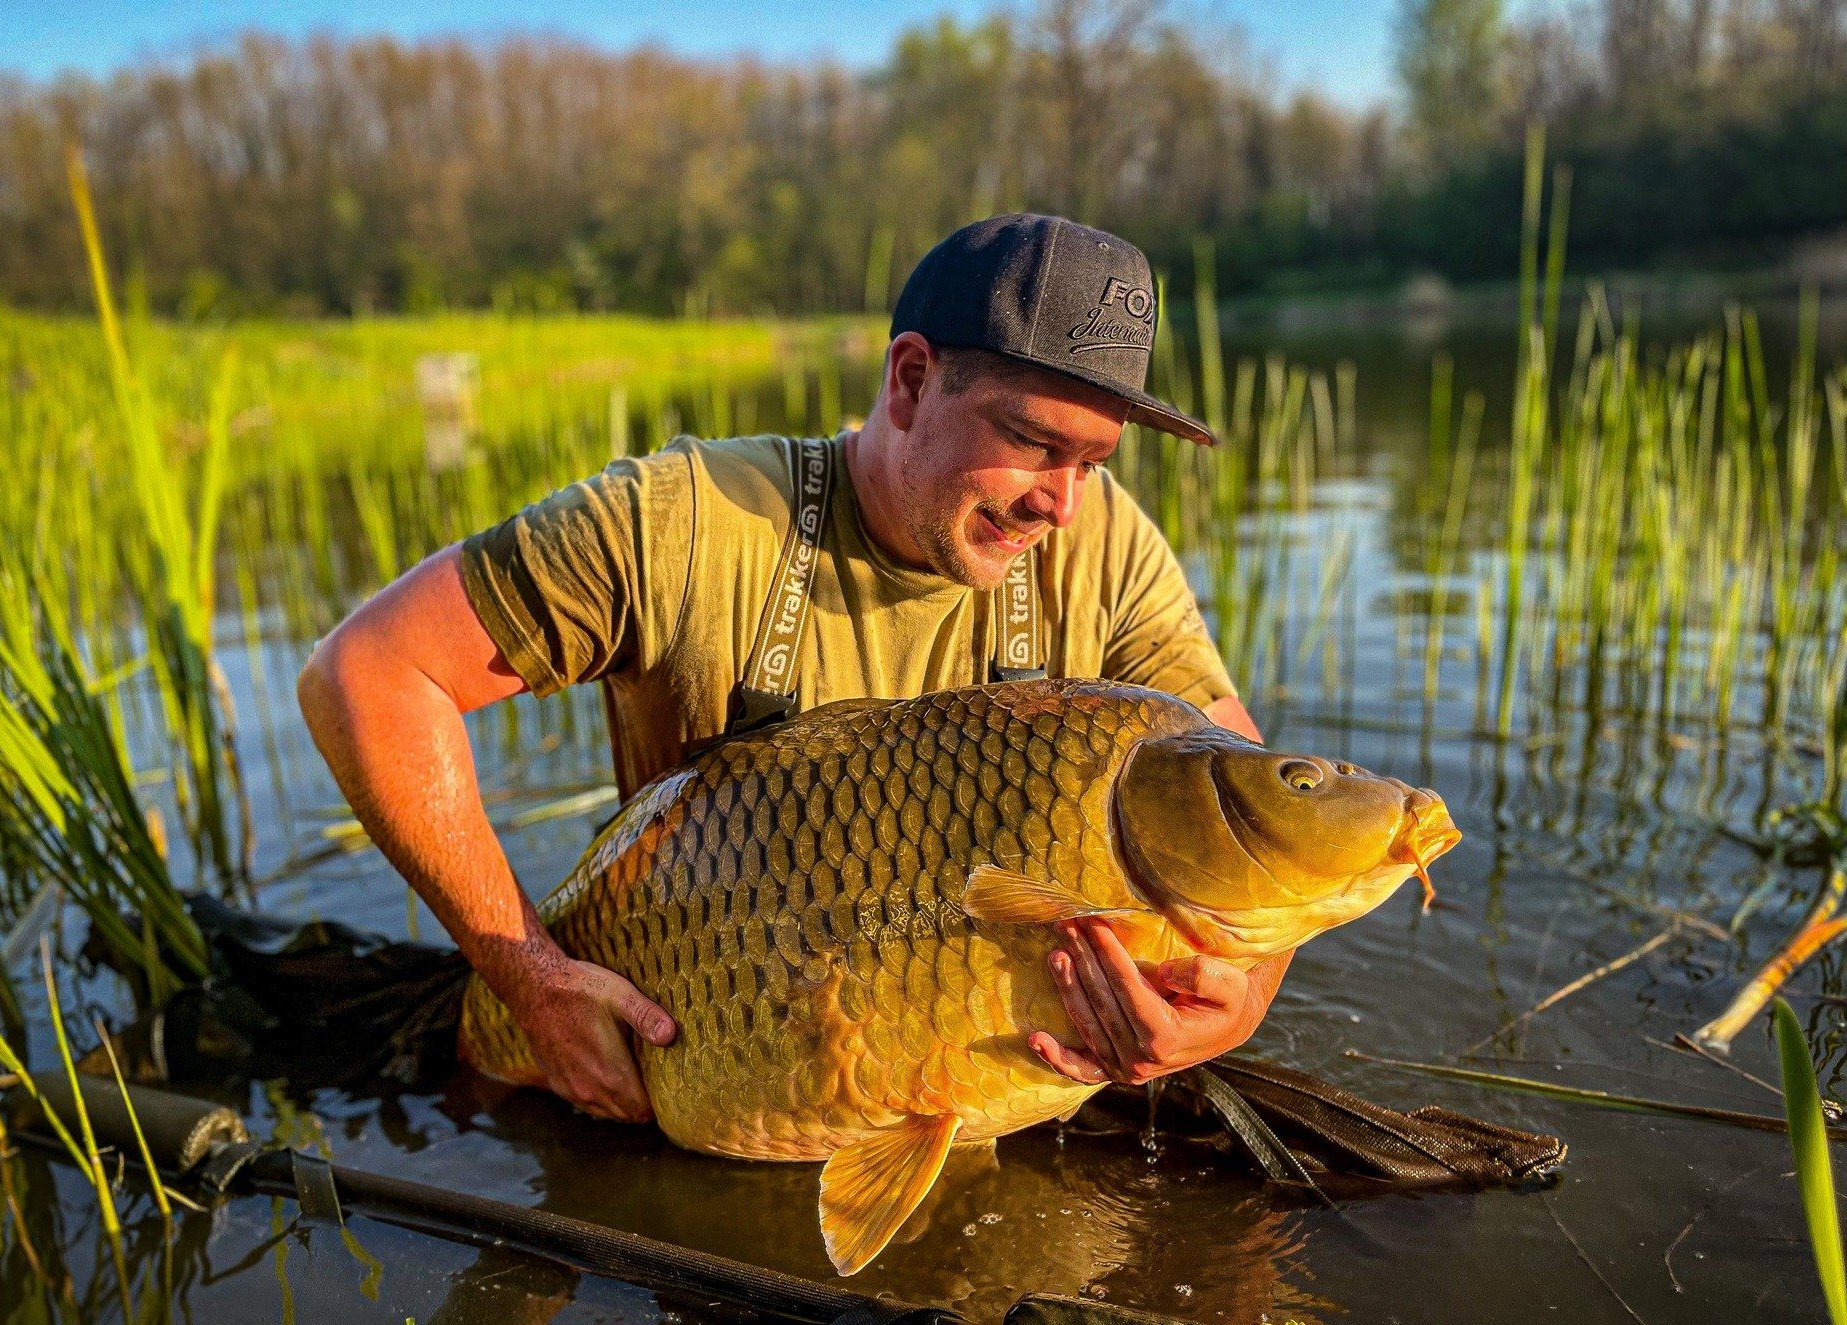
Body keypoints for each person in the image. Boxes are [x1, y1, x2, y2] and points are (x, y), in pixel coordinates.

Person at [298, 214, 1291, 1125]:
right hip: (693, 1052)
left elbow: (1253, 808)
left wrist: (1239, 1004)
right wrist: (533, 984)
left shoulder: (1101, 545)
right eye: (1033, 442)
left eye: (1095, 462)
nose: (1062, 506)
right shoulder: (690, 521)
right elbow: (368, 675)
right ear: (908, 381)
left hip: (958, 1079)